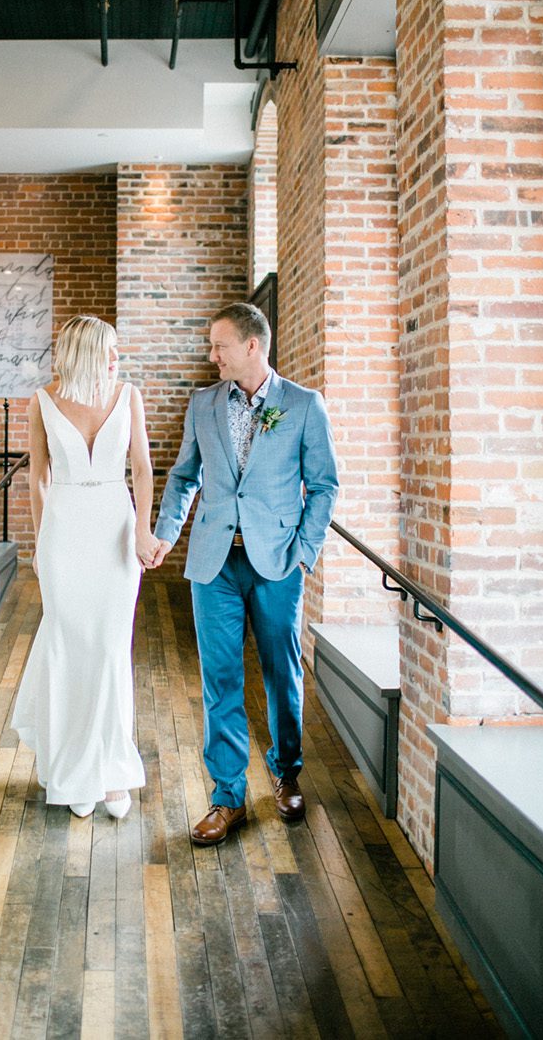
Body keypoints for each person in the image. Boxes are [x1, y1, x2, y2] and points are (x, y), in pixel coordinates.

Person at [151, 303, 338, 844]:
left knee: (283, 673)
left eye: (220, 346)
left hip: (279, 562)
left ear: (252, 346)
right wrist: (166, 533)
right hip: (214, 563)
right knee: (221, 679)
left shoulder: (303, 406)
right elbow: (185, 476)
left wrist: (305, 550)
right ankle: (227, 795)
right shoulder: (202, 404)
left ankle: (286, 774)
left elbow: (324, 485)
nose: (212, 356)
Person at [11, 314, 156, 819]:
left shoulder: (129, 395)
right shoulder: (42, 401)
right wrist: (41, 541)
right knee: (70, 648)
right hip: (64, 533)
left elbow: (141, 468)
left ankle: (113, 771)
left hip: (115, 528)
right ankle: (72, 768)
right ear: (83, 352)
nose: (116, 358)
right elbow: (38, 479)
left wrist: (142, 530)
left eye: (116, 350)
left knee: (111, 649)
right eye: (108, 350)